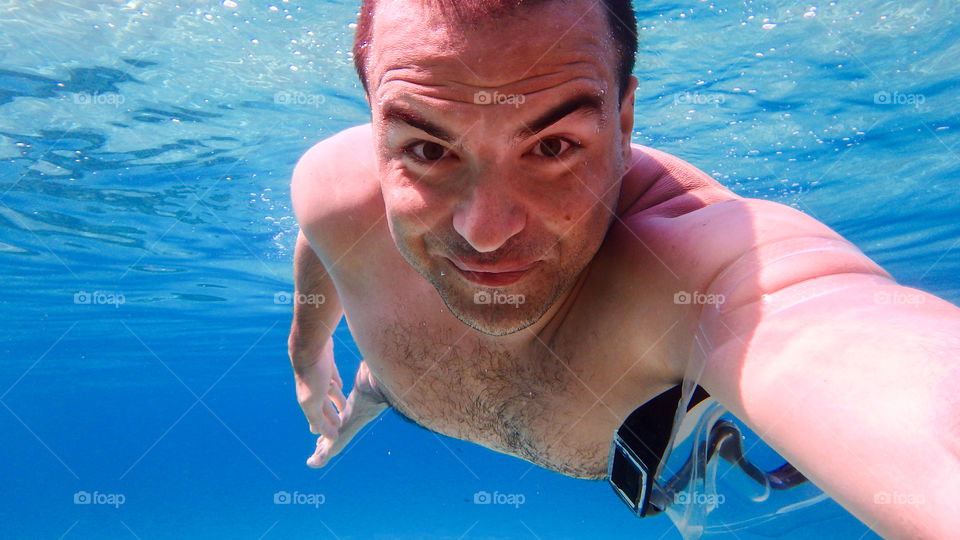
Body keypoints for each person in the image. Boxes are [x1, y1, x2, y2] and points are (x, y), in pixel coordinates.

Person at [286, 0, 960, 537]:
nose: (485, 234)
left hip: (661, 453)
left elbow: (844, 329)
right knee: (381, 383)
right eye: (428, 150)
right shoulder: (333, 190)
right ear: (375, 139)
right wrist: (308, 357)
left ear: (625, 122)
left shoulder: (697, 264)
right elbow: (326, 245)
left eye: (552, 145)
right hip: (397, 394)